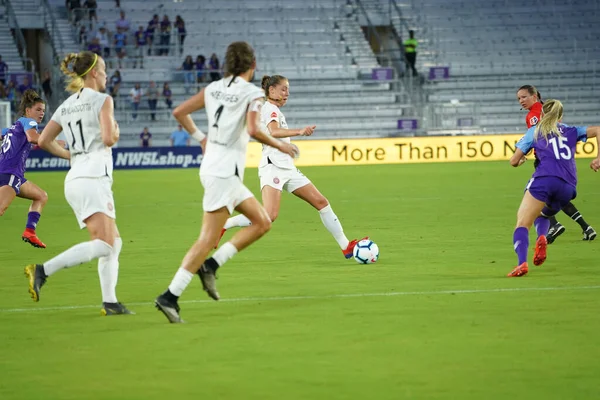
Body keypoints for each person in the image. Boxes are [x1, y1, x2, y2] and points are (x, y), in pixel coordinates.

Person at [154, 41, 299, 323]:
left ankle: (209, 266)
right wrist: (280, 146)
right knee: (210, 238)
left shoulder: (213, 88)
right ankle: (171, 295)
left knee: (262, 221)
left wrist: (201, 139)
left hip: (214, 169)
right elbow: (255, 128)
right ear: (253, 66)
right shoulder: (253, 93)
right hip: (224, 174)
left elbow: (179, 112)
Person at [24, 51, 133, 316]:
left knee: (114, 242)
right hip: (93, 176)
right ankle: (42, 270)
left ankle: (110, 302)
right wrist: (116, 132)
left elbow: (42, 140)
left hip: (76, 177)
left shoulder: (67, 104)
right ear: (94, 72)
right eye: (104, 70)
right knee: (105, 244)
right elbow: (108, 138)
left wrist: (70, 155)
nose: (107, 75)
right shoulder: (103, 100)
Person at [219, 74, 367, 257]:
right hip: (273, 167)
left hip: (287, 168)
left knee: (321, 202)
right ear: (271, 90)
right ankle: (225, 224)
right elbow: (273, 131)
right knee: (269, 216)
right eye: (283, 89)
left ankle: (346, 246)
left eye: (288, 89)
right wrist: (300, 131)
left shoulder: (274, 110)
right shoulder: (269, 109)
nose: (287, 93)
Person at [507, 99, 600, 277]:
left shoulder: (535, 131)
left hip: (544, 180)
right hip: (568, 186)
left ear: (541, 115)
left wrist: (521, 160)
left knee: (522, 223)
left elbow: (513, 161)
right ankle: (542, 236)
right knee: (543, 214)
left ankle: (522, 264)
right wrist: (598, 158)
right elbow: (598, 130)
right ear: (560, 116)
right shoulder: (572, 130)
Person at [517, 85, 595, 243]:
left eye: (524, 97)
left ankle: (554, 225)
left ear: (534, 96)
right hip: (559, 159)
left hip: (547, 159)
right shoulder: (546, 107)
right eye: (519, 98)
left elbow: (539, 132)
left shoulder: (534, 115)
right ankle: (586, 227)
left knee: (540, 194)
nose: (521, 101)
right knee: (560, 195)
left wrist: (524, 151)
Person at [0, 90, 61, 248]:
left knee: (41, 196)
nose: (41, 113)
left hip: (12, 175)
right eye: (38, 109)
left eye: (43, 110)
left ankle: (30, 232)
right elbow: (34, 138)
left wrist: (64, 145)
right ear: (28, 111)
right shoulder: (29, 122)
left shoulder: (14, 127)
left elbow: (42, 140)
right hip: (10, 174)